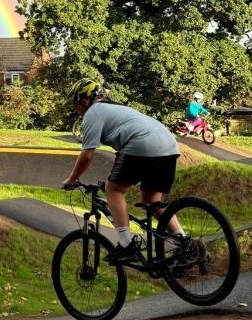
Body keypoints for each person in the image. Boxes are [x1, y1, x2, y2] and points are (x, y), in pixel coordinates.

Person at [61, 78, 182, 265]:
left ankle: (126, 244)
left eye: (75, 105)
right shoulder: (116, 108)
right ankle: (184, 242)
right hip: (169, 146)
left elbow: (87, 155)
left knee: (113, 190)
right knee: (152, 201)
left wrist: (71, 179)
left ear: (84, 101)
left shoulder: (93, 112)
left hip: (141, 144)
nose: (76, 110)